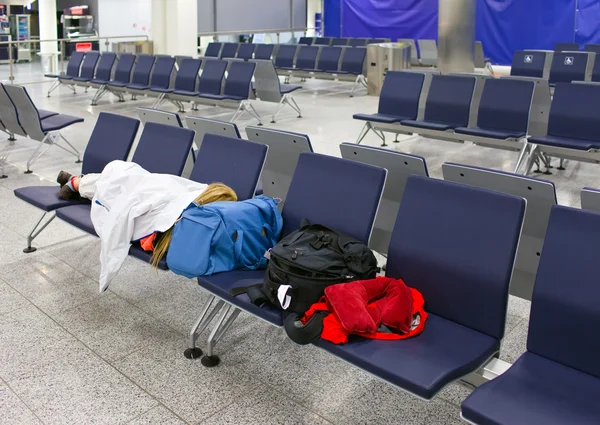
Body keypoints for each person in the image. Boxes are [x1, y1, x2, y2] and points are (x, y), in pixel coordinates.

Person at [57, 160, 237, 293]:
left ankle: (75, 182)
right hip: (146, 185)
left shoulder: (190, 215)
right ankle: (76, 182)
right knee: (117, 181)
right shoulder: (190, 197)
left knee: (111, 188)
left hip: (142, 189)